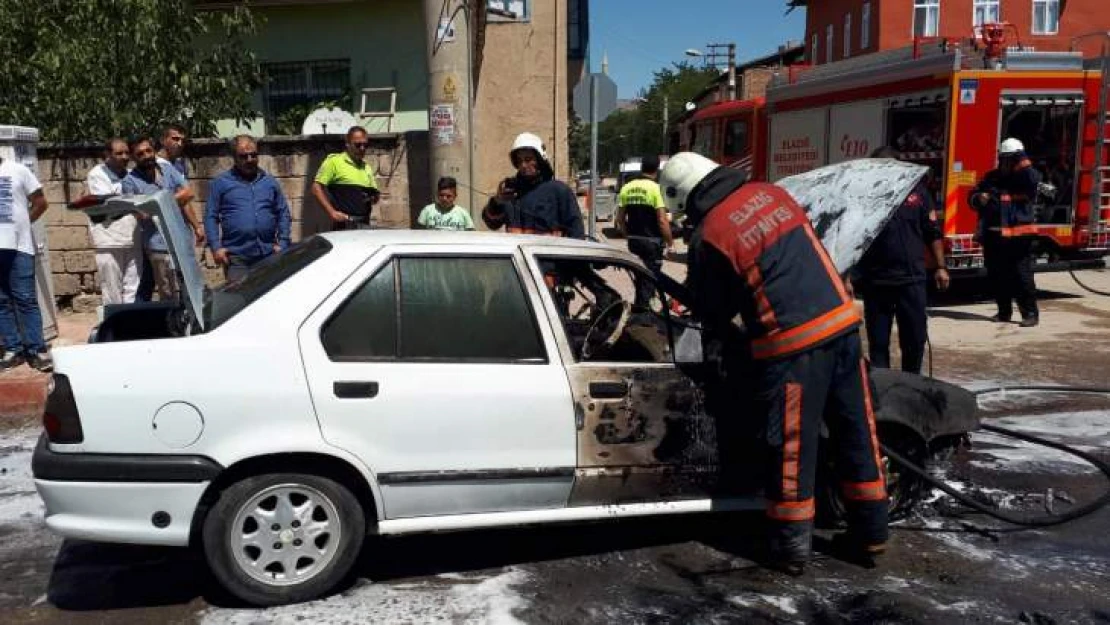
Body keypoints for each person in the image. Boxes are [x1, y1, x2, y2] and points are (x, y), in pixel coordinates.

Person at [661, 152, 888, 575]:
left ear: (687, 198)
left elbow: (714, 312)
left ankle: (790, 550)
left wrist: (717, 356)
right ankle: (872, 534)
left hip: (793, 348)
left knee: (792, 448)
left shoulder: (710, 233)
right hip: (841, 326)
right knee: (857, 430)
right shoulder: (771, 194)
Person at [850, 147, 949, 374]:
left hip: (911, 280)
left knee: (914, 340)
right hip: (876, 282)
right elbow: (852, 237)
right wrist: (848, 276)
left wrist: (941, 267)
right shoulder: (865, 197)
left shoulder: (918, 193)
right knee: (878, 344)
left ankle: (912, 384)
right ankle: (882, 393)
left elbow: (932, 232)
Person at [969, 138, 1041, 327]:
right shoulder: (991, 177)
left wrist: (1021, 157)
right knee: (997, 276)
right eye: (1004, 159)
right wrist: (979, 198)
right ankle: (1004, 312)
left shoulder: (1025, 178)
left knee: (1021, 276)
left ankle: (1030, 314)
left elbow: (1033, 177)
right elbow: (971, 198)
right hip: (994, 238)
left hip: (1019, 239)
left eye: (1011, 159)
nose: (1006, 163)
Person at [205, 136, 292, 282]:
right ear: (234, 157)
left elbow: (283, 212)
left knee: (270, 297)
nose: (250, 159)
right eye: (243, 156)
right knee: (241, 301)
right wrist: (215, 247)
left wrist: (283, 242)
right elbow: (211, 216)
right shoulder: (221, 183)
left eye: (254, 155)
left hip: (268, 255)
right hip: (237, 259)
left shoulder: (269, 182)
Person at [122, 136, 196, 302]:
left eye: (149, 151)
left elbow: (188, 193)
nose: (146, 155)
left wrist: (161, 202)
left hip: (181, 240)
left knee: (191, 289)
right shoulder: (129, 182)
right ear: (134, 158)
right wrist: (172, 199)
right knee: (169, 294)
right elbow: (142, 214)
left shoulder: (167, 170)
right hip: (158, 245)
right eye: (140, 154)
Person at [0, 155, 51, 371]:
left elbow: (41, 203)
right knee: (1, 301)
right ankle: (13, 349)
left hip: (19, 246)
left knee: (26, 299)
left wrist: (21, 224)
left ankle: (37, 350)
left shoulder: (17, 169)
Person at [482, 132, 584, 238]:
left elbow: (577, 234)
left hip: (549, 253)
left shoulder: (559, 191)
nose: (523, 165)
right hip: (520, 253)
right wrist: (497, 202)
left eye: (528, 159)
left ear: (540, 160)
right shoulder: (512, 193)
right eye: (519, 161)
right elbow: (491, 223)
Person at [85, 138, 142, 305]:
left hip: (133, 239)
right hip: (109, 241)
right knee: (112, 292)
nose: (125, 157)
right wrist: (135, 204)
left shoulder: (132, 174)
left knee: (132, 290)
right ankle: (113, 329)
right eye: (119, 153)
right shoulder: (97, 174)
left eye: (126, 153)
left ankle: (129, 329)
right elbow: (110, 204)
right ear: (107, 155)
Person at [617, 155, 674, 306]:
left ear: (641, 167)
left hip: (634, 242)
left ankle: (640, 311)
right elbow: (662, 221)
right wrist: (670, 242)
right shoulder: (657, 189)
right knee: (649, 282)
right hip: (652, 244)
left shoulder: (627, 187)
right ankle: (643, 318)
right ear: (656, 169)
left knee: (640, 280)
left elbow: (620, 219)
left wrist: (627, 235)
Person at [313, 126, 381, 230]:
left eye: (365, 145)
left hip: (364, 224)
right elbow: (316, 188)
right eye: (358, 145)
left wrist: (374, 196)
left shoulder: (366, 167)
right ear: (348, 144)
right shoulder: (334, 161)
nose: (362, 148)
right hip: (344, 224)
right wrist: (332, 212)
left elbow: (374, 197)